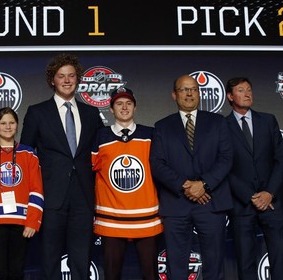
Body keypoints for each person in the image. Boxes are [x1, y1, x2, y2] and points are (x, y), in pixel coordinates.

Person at [20, 53, 104, 279]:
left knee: (81, 257)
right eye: (61, 76)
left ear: (77, 79)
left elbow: (100, 153)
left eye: (71, 76)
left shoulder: (91, 112)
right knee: (49, 256)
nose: (67, 80)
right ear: (52, 81)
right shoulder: (37, 112)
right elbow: (26, 156)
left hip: (84, 196)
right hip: (50, 196)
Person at [149, 75, 233, 280]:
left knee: (214, 264)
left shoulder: (217, 122)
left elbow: (227, 158)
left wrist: (204, 185)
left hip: (211, 202)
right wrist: (186, 186)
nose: (189, 94)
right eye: (184, 89)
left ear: (199, 93)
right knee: (176, 265)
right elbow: (157, 164)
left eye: (194, 89)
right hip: (176, 203)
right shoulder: (162, 126)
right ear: (174, 94)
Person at [92, 87, 163, 280]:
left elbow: (161, 170)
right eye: (119, 103)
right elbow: (88, 172)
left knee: (150, 275)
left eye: (129, 103)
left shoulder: (151, 135)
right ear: (111, 109)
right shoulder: (100, 137)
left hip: (146, 218)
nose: (124, 107)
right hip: (111, 220)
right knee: (112, 275)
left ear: (135, 107)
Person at [225, 77, 283, 280]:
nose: (247, 93)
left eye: (249, 89)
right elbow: (224, 167)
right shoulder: (221, 127)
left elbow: (280, 159)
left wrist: (269, 193)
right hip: (242, 205)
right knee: (245, 261)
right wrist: (250, 196)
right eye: (241, 90)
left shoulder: (268, 120)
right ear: (230, 97)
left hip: (272, 203)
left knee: (279, 259)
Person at [0, 107, 44, 280]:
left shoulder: (29, 153)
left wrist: (32, 222)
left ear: (18, 125)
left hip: (21, 223)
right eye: (3, 123)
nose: (8, 127)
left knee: (16, 272)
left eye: (12, 123)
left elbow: (37, 189)